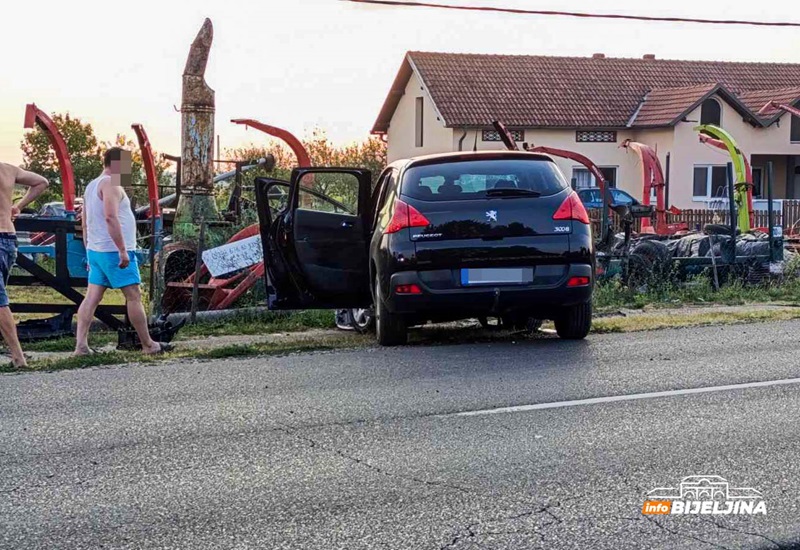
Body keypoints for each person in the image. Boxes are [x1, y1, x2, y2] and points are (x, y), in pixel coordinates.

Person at [74, 147, 169, 356]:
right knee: (134, 296)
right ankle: (148, 344)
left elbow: (85, 220)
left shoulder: (91, 186)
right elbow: (110, 216)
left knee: (91, 298)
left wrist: (89, 248)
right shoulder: (111, 183)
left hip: (97, 250)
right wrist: (123, 250)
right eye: (127, 165)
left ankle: (81, 345)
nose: (129, 170)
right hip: (114, 252)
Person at [0, 162, 49, 368]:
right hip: (8, 239)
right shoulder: (7, 169)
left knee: (0, 301)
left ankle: (18, 357)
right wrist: (17, 206)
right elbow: (41, 182)